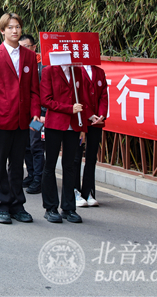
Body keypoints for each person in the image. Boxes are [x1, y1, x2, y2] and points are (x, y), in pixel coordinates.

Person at [0, 13, 41, 224]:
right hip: (0, 118)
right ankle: (1, 205)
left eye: (18, 27)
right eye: (11, 27)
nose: (15, 31)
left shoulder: (29, 56)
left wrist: (35, 112)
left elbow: (34, 88)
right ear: (2, 30)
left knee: (17, 165)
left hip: (22, 119)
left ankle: (17, 205)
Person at [40, 64, 89, 223]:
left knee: (70, 166)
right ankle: (50, 207)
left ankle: (68, 208)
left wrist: (83, 127)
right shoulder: (49, 70)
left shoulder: (78, 71)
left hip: (74, 125)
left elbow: (82, 100)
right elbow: (45, 100)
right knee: (50, 165)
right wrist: (69, 108)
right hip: (54, 124)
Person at [74, 64, 108, 208]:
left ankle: (88, 192)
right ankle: (74, 191)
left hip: (96, 123)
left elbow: (103, 95)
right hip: (80, 121)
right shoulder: (75, 69)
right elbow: (75, 95)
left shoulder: (99, 72)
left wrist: (101, 114)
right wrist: (88, 115)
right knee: (75, 156)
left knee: (91, 157)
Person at [19, 34, 45, 195]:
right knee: (26, 145)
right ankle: (31, 174)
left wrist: (43, 112)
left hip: (39, 114)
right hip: (24, 113)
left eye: (26, 47)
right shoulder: (21, 63)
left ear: (34, 48)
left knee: (36, 145)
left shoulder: (43, 65)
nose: (22, 50)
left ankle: (38, 179)